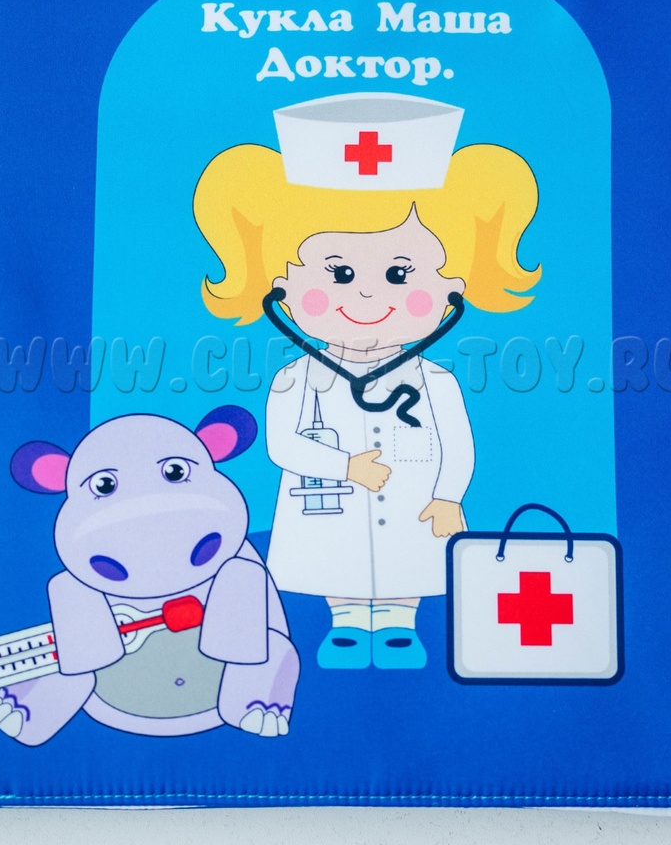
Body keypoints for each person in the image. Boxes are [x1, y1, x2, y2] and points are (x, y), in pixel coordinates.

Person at [192, 103, 539, 670]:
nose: (369, 295)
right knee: (339, 561)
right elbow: (282, 446)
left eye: (401, 274)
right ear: (281, 286)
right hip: (329, 499)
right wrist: (344, 467)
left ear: (453, 287)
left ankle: (400, 621)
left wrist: (449, 496)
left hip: (417, 501)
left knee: (410, 560)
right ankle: (347, 619)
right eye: (339, 274)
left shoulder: (437, 381)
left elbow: (458, 445)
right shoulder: (294, 379)